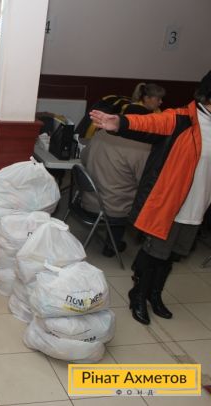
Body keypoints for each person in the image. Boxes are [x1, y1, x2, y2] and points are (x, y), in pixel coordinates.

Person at [90, 70, 211, 326]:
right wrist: (119, 123)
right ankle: (138, 294)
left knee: (173, 256)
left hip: (198, 205)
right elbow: (150, 123)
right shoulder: (181, 119)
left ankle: (155, 295)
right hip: (171, 204)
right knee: (155, 253)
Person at [80, 103, 159, 257]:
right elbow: (145, 182)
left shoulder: (101, 133)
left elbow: (83, 158)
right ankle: (113, 245)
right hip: (114, 208)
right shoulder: (141, 147)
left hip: (89, 200)